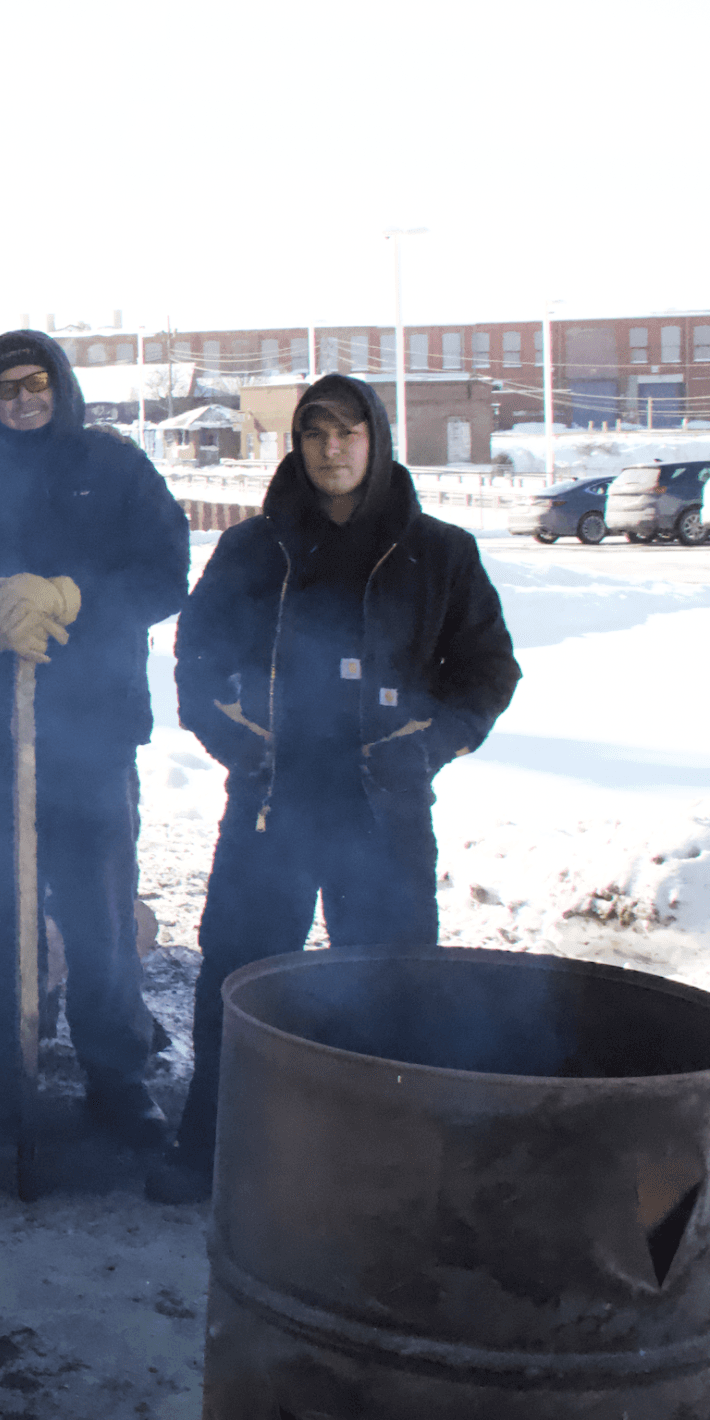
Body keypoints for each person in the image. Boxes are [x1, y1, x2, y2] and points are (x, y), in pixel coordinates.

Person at [145, 373, 518, 1204]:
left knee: (393, 984)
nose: (332, 448)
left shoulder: (439, 553)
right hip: (273, 801)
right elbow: (197, 657)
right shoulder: (255, 549)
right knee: (237, 976)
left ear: (376, 441)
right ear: (298, 444)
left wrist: (429, 744)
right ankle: (212, 1144)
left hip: (382, 808)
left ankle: (385, 1164)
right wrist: (237, 741)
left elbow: (490, 670)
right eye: (316, 433)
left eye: (349, 432)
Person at [0, 330, 188, 1146]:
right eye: (5, 390)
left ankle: (116, 1074)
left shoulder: (114, 471)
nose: (24, 400)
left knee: (101, 913)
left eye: (35, 382)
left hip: (95, 733)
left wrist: (73, 596)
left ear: (61, 385)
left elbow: (164, 573)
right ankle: (4, 1070)